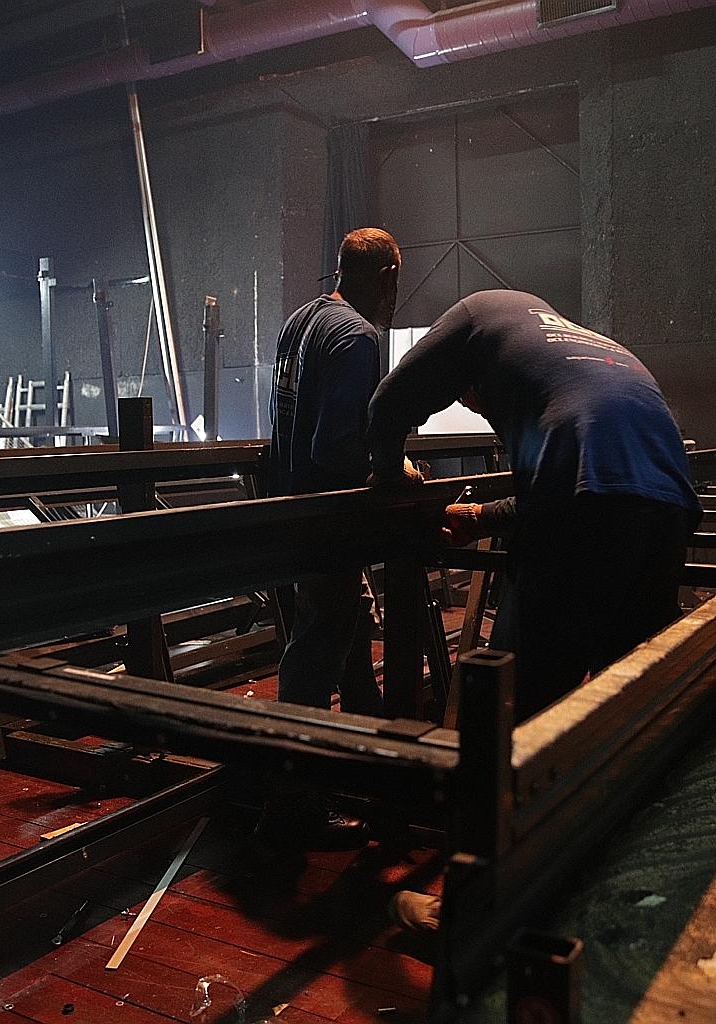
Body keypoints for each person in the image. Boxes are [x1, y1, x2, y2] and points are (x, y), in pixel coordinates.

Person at [366, 289, 702, 724]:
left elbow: (386, 405)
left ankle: (489, 787)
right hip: (670, 508)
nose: (480, 412)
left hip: (587, 514)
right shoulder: (573, 353)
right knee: (627, 703)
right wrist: (478, 518)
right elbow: (563, 494)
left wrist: (394, 476)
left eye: (471, 402)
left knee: (513, 708)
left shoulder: (475, 314)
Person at [259, 227, 409, 848]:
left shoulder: (301, 321)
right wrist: (391, 469)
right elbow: (336, 443)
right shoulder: (357, 338)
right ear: (388, 277)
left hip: (292, 506)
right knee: (318, 647)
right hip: (328, 518)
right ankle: (294, 799)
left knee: (342, 629)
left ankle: (364, 764)